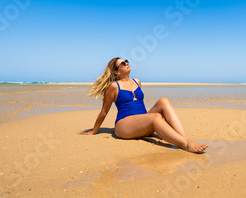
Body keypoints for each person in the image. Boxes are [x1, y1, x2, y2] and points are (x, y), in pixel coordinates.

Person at [80, 57, 208, 153]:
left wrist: (146, 122)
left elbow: (139, 105)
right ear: (116, 72)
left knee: (164, 101)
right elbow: (104, 111)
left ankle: (185, 138)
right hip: (124, 125)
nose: (126, 63)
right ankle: (185, 144)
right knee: (156, 117)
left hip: (142, 122)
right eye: (122, 63)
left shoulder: (137, 81)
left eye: (126, 61)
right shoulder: (113, 86)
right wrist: (94, 131)